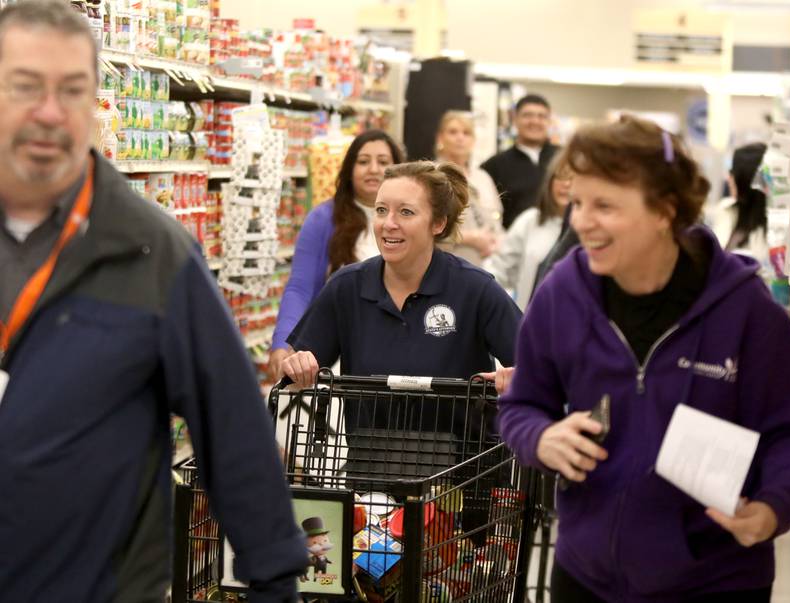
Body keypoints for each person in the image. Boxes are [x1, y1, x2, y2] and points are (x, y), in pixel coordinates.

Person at [0, 2, 306, 601]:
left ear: (96, 105)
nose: (49, 113)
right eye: (24, 86)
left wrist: (274, 578)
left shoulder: (154, 253)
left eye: (73, 90)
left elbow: (232, 428)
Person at [499, 115, 790, 602]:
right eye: (577, 202)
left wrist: (774, 506)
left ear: (665, 210)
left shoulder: (747, 312)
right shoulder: (562, 294)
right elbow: (521, 405)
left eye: (604, 206)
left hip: (717, 580)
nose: (581, 221)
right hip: (585, 575)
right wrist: (541, 438)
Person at [280, 160, 521, 430]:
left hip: (463, 466)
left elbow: (539, 369)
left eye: (406, 212)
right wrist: (296, 367)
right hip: (371, 466)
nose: (388, 224)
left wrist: (518, 378)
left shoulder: (476, 290)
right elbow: (290, 373)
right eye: (381, 210)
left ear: (438, 223)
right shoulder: (346, 288)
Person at [267, 129, 404, 380]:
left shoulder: (411, 219)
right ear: (349, 168)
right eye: (363, 161)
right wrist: (283, 342)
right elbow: (300, 286)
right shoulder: (323, 219)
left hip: (396, 351)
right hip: (334, 355)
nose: (373, 169)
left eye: (383, 162)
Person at [485, 155, 571, 309]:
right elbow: (500, 269)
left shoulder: (587, 228)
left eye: (572, 179)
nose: (565, 184)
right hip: (528, 319)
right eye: (559, 177)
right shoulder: (529, 221)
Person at [434, 110, 504, 264]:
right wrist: (470, 237)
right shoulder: (431, 175)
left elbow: (496, 220)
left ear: (473, 140)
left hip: (486, 264)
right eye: (453, 132)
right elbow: (423, 227)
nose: (460, 138)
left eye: (466, 133)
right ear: (440, 138)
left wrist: (495, 242)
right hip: (447, 262)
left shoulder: (483, 178)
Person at [481, 94, 560, 229]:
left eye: (541, 116)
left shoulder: (565, 158)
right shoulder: (494, 166)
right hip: (513, 245)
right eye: (527, 115)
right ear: (515, 119)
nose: (535, 121)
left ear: (549, 121)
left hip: (562, 241)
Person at [706, 142, 769, 266]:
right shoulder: (725, 209)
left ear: (746, 178)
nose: (729, 177)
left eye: (733, 171)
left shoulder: (770, 234)